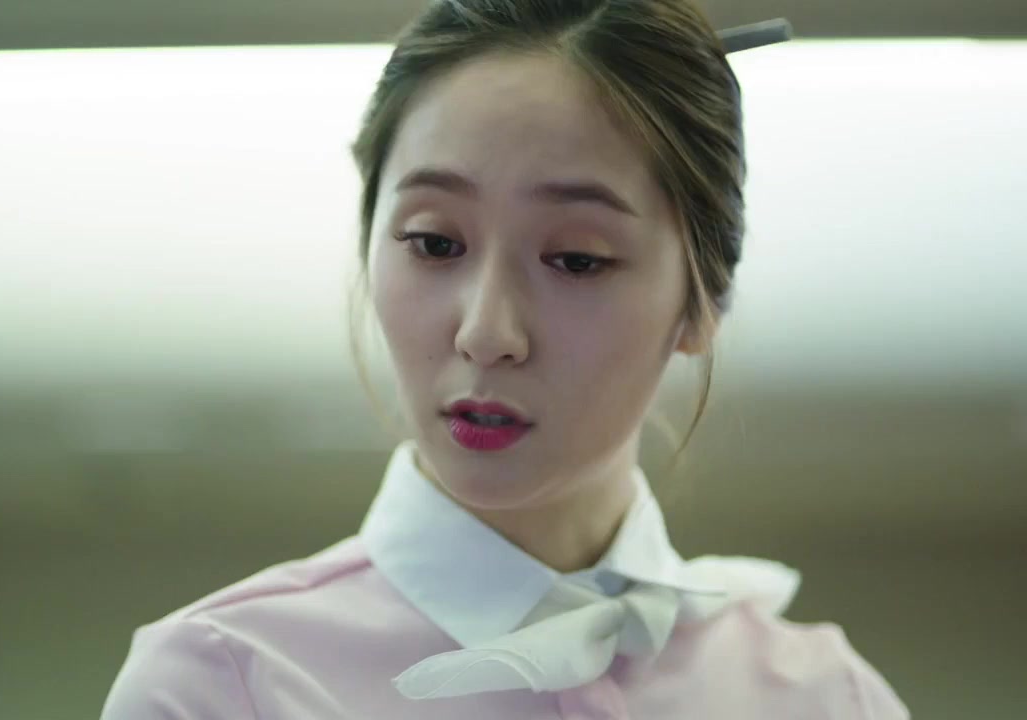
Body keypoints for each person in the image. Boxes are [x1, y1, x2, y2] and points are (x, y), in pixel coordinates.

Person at [100, 1, 910, 717]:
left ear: (701, 304)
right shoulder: (224, 686)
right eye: (434, 242)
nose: (487, 334)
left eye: (577, 259)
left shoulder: (829, 701)